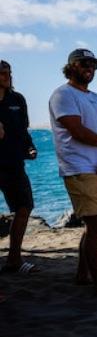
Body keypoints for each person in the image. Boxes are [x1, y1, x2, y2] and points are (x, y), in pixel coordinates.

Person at [49, 48, 97, 296]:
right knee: (96, 223)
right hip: (79, 168)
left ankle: (82, 273)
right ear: (72, 66)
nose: (90, 68)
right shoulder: (63, 95)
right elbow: (76, 131)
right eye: (85, 63)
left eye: (94, 64)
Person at [0, 60, 38, 273]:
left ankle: (14, 258)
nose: (8, 76)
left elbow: (23, 130)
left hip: (13, 163)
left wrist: (30, 148)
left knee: (24, 207)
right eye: (3, 73)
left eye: (9, 72)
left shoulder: (17, 99)